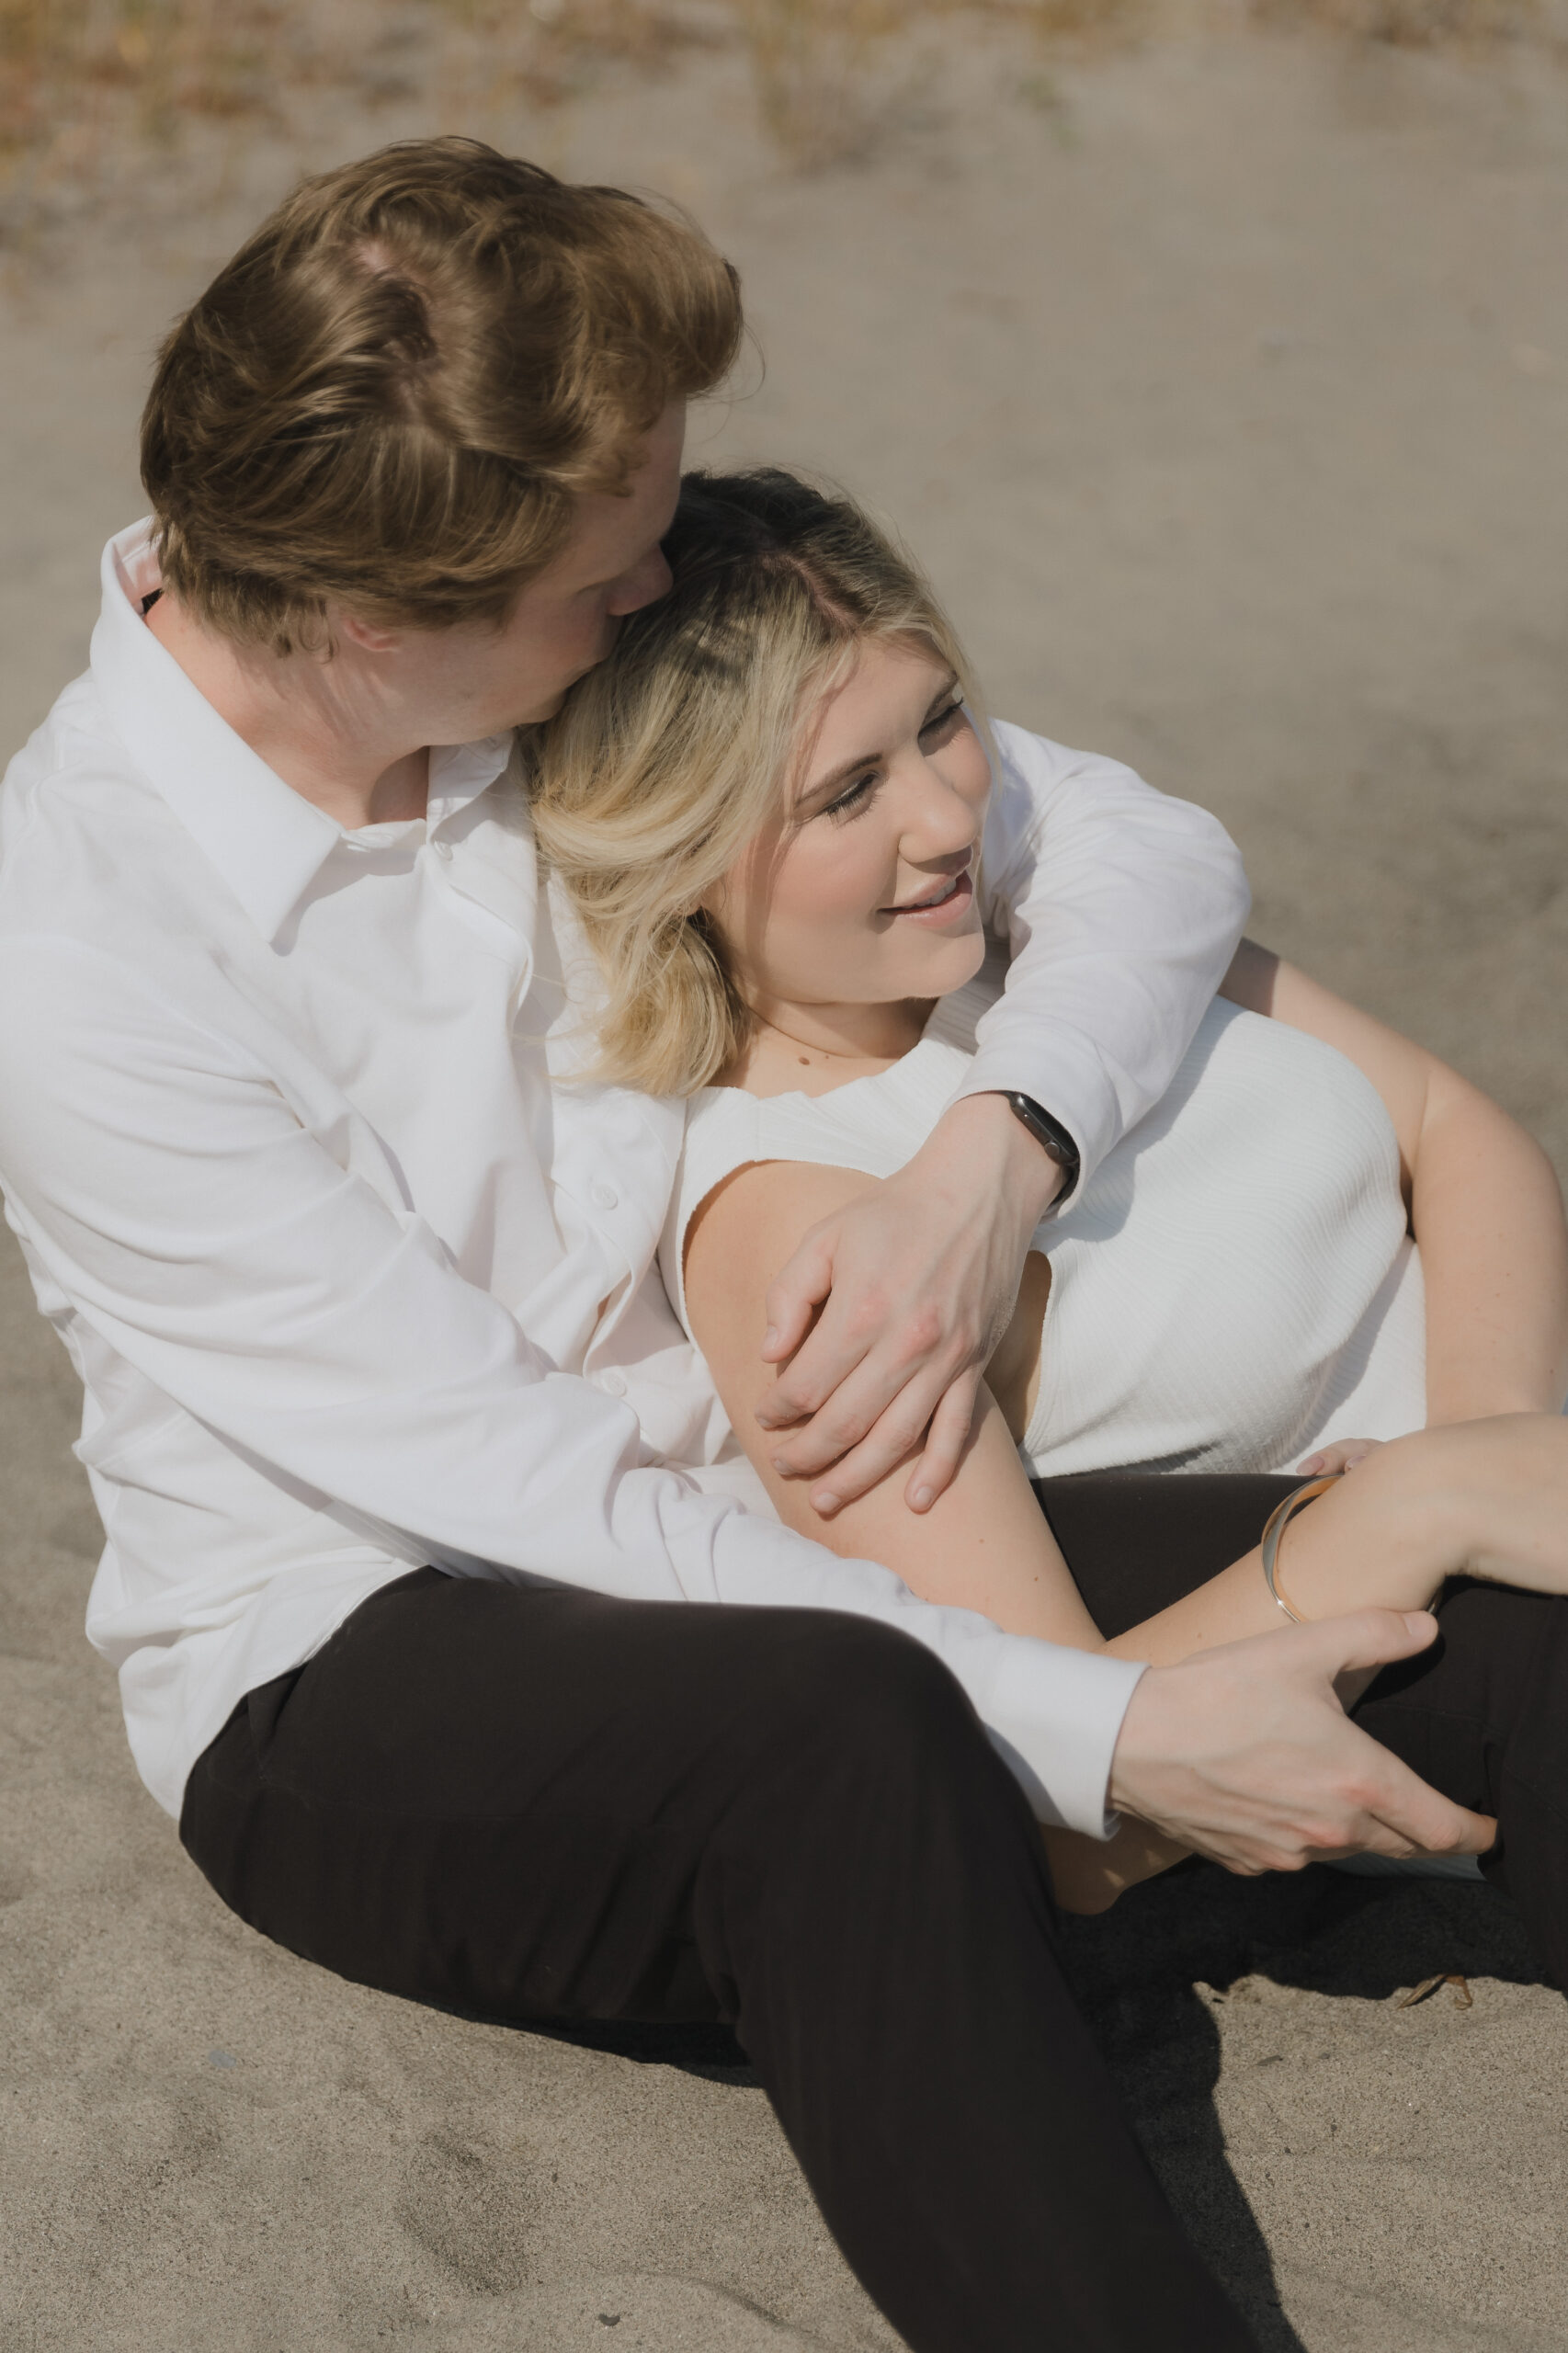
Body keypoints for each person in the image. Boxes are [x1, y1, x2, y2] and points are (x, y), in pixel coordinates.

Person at [0, 136, 1508, 2353]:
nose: (655, 584)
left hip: (810, 1520)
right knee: (845, 1738)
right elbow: (519, 1484)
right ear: (374, 621)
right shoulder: (78, 951)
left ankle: (1075, 1878)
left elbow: (1131, 846)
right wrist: (1099, 1721)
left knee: (1472, 1632)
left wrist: (996, 1149)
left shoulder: (550, 619)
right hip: (373, 1659)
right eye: (608, 575)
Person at [527, 465, 1568, 1912]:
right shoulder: (799, 1229)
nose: (948, 817)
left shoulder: (1048, 949)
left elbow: (1455, 1129)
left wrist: (1502, 1438)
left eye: (941, 723)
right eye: (846, 793)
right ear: (677, 850)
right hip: (1465, 1657)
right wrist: (1425, 1510)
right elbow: (1064, 1793)